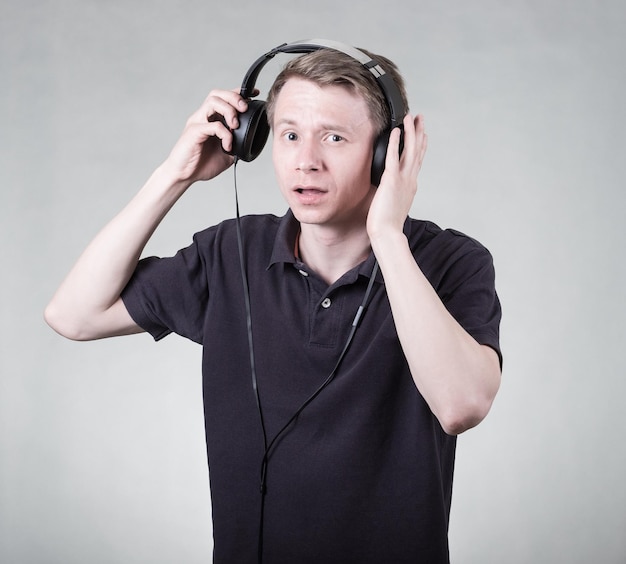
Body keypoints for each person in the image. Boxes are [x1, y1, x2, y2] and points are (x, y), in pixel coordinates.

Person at [45, 40, 502, 564]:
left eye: (334, 137)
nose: (306, 161)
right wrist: (175, 175)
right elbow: (73, 315)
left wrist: (388, 237)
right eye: (288, 135)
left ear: (387, 153)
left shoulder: (452, 262)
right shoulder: (229, 253)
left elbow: (462, 405)